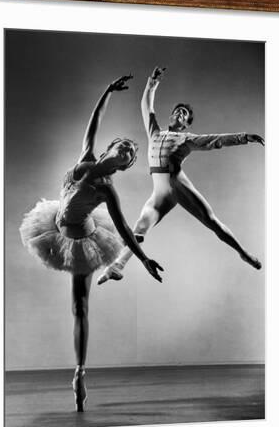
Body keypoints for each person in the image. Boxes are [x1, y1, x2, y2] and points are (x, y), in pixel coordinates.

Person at [20, 75, 163, 412]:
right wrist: (107, 92)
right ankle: (79, 370)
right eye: (125, 146)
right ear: (111, 147)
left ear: (124, 167)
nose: (128, 151)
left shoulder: (105, 190)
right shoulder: (84, 158)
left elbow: (125, 228)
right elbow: (92, 124)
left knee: (79, 307)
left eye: (130, 155)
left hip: (82, 240)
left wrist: (142, 260)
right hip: (54, 227)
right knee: (77, 306)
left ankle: (80, 371)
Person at [98, 66, 264, 285]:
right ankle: (117, 267)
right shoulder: (155, 132)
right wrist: (152, 83)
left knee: (211, 221)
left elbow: (216, 140)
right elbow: (146, 107)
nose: (179, 113)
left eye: (184, 114)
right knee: (140, 227)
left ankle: (242, 252)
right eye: (177, 110)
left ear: (186, 124)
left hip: (178, 184)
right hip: (159, 191)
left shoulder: (186, 139)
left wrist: (244, 137)